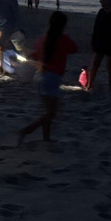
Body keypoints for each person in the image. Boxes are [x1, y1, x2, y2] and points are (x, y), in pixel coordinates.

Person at [19, 11, 77, 144]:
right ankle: (26, 130)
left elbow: (34, 55)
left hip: (40, 76)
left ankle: (46, 138)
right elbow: (74, 48)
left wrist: (26, 52)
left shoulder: (43, 39)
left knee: (49, 111)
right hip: (52, 78)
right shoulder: (63, 39)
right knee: (51, 113)